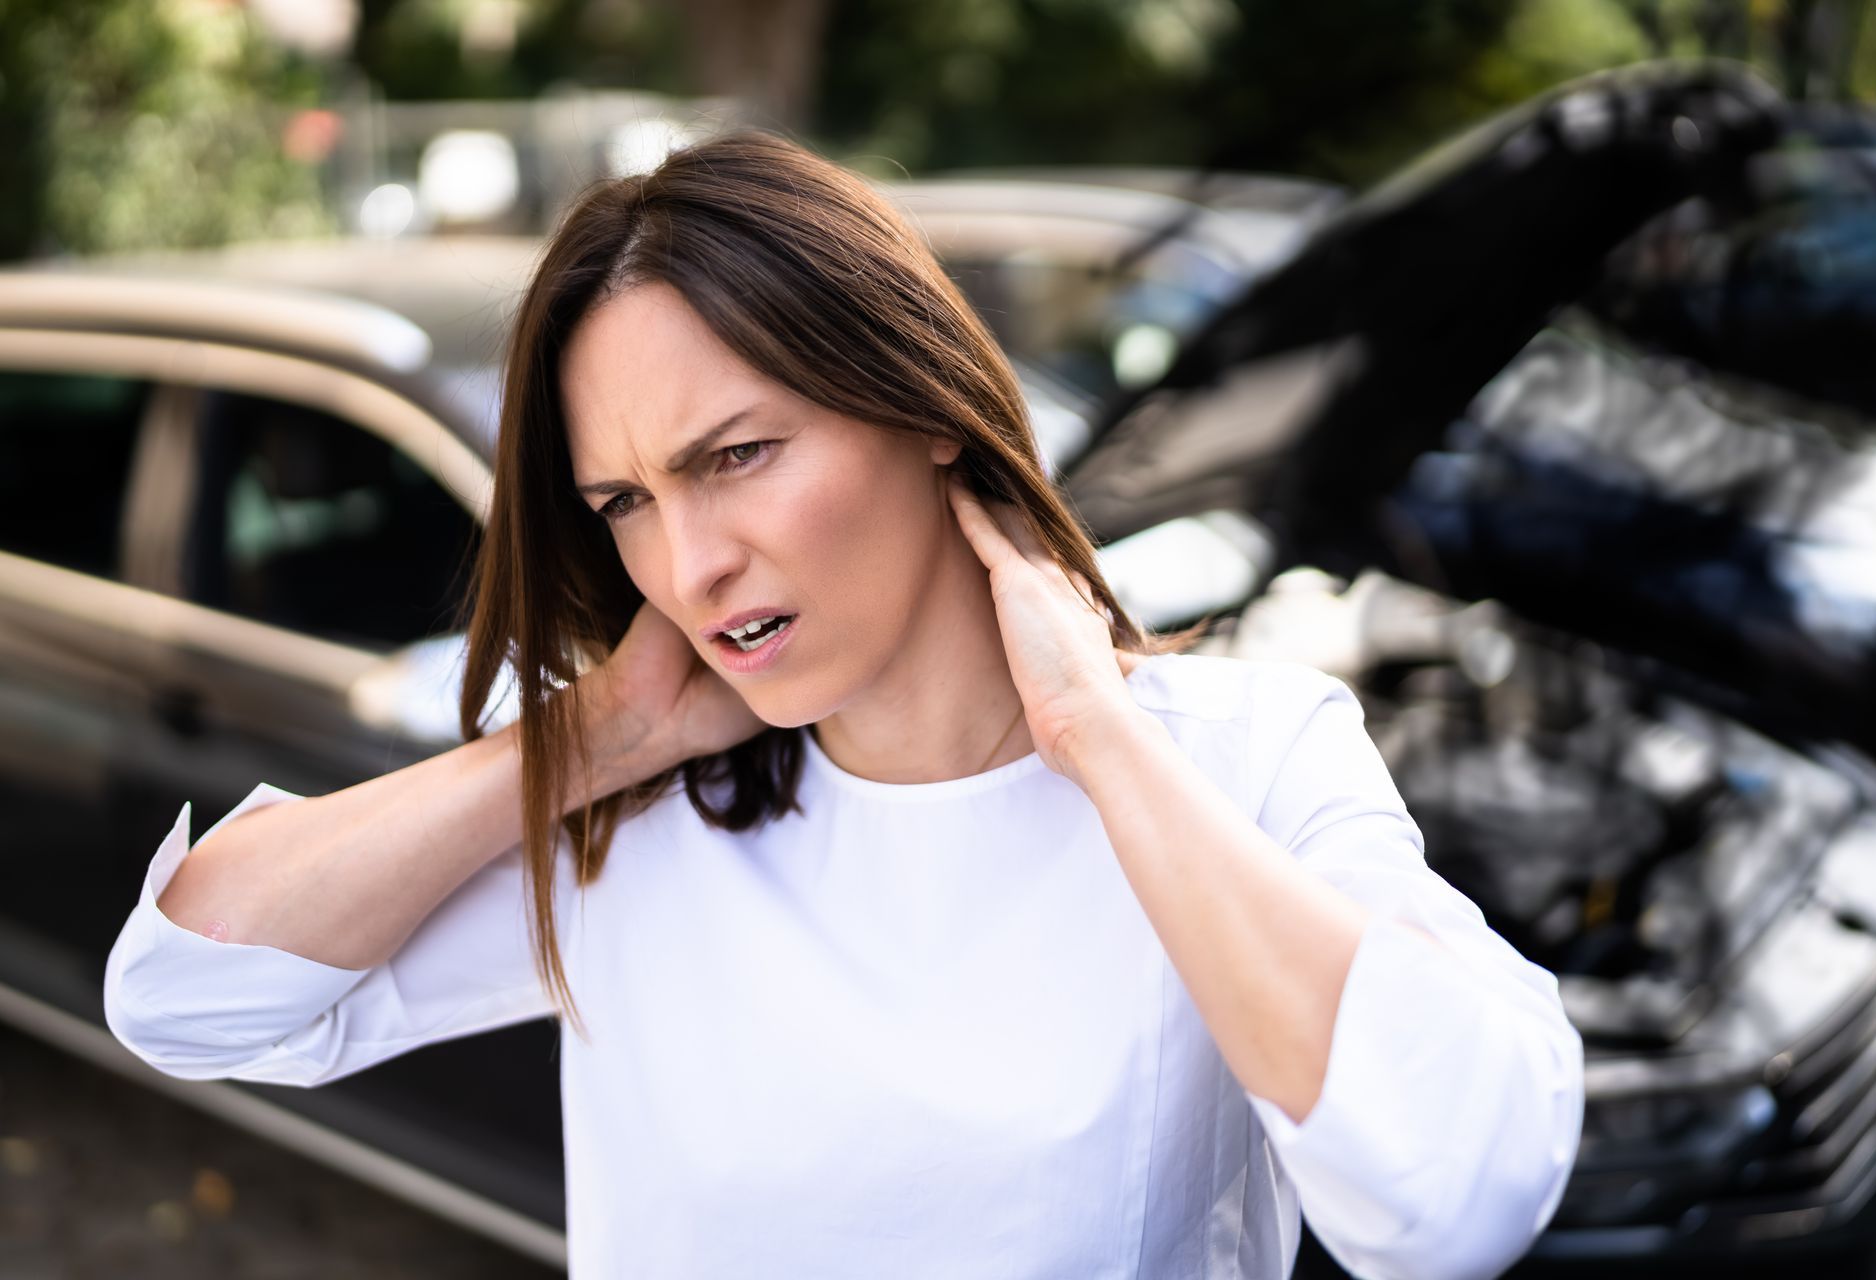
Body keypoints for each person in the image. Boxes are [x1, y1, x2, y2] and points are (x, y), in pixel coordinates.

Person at [102, 128, 1584, 1280]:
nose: (689, 563)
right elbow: (182, 994)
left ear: (922, 405)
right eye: (625, 501)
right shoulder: (647, 808)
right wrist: (607, 735)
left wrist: (1099, 740)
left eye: (736, 455)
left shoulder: (1240, 756)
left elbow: (1453, 1194)